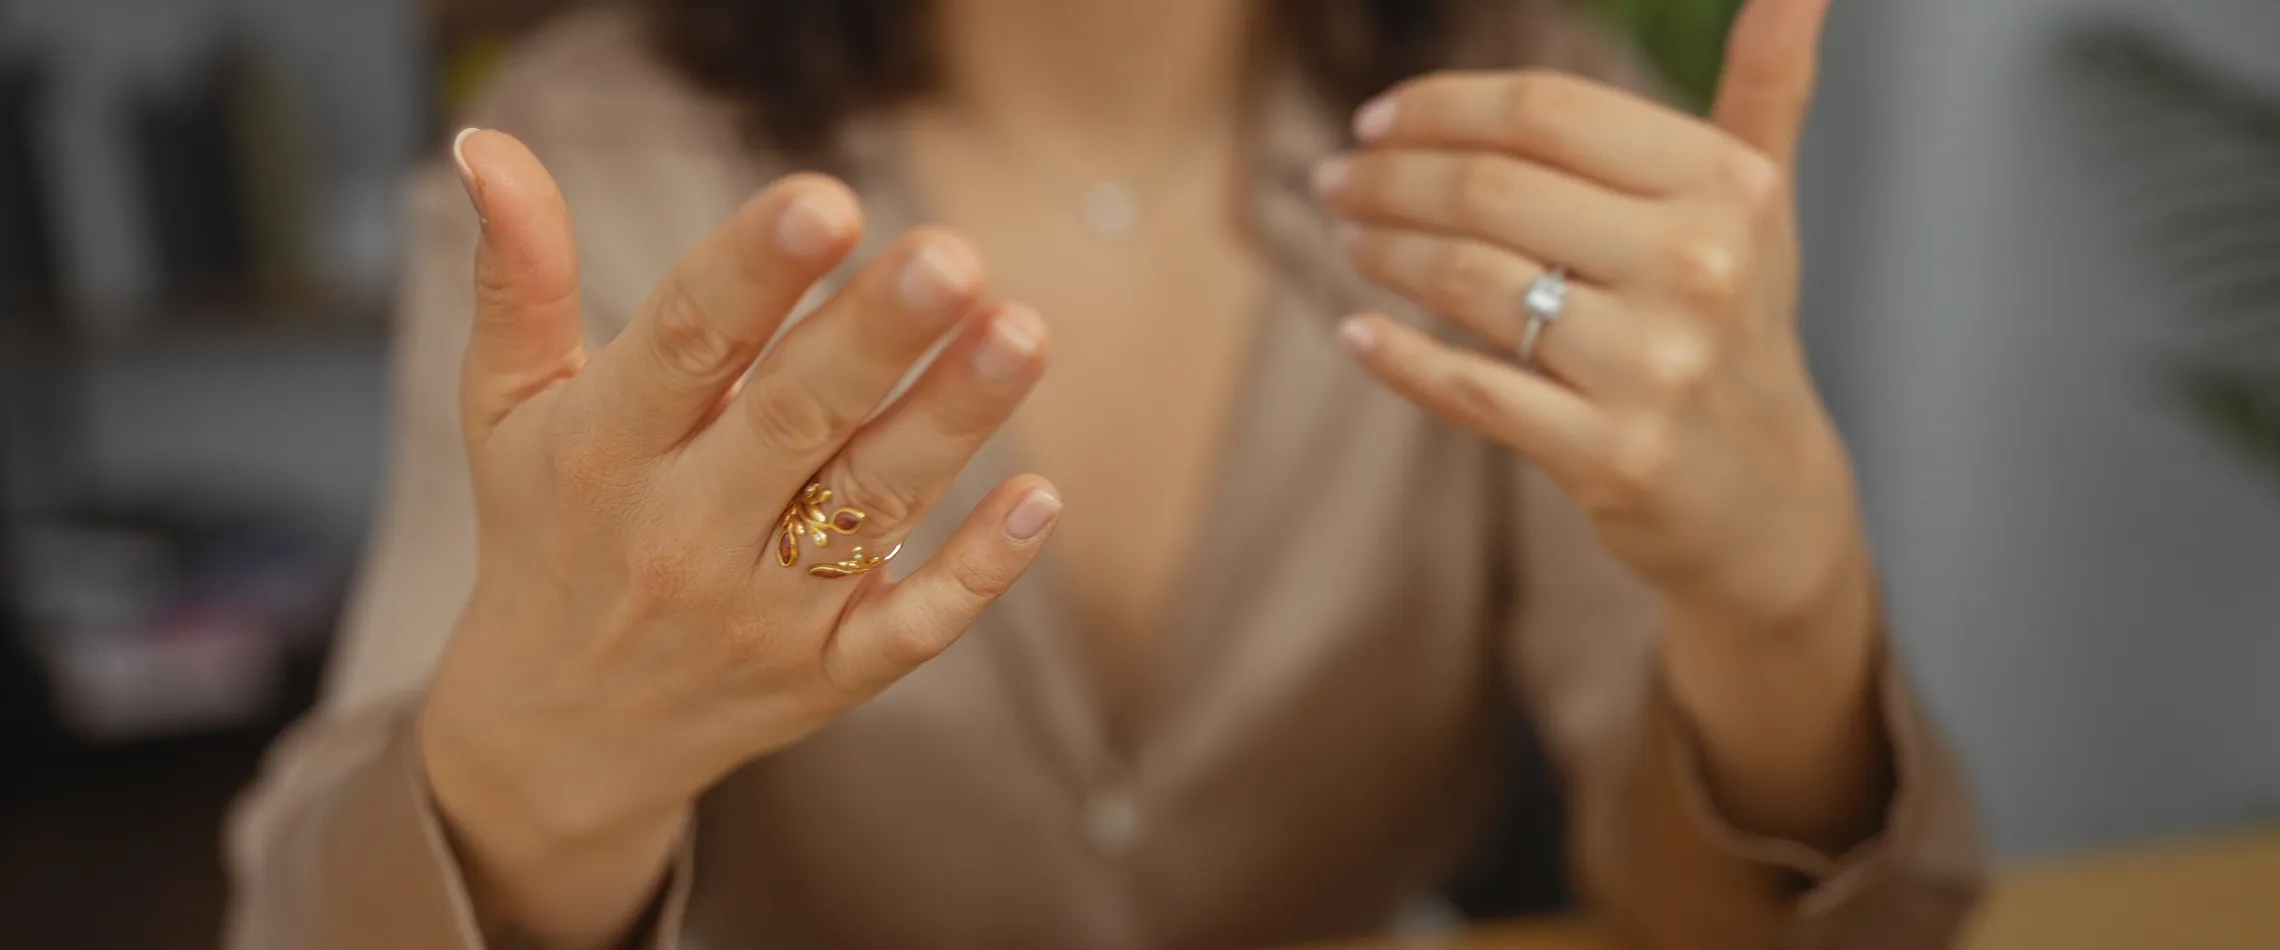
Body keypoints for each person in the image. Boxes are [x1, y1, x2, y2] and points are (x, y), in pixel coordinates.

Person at [224, 0, 1984, 947]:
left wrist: (1784, 607)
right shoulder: (601, 153)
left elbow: (1759, 928)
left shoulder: (1531, 126)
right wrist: (532, 787)